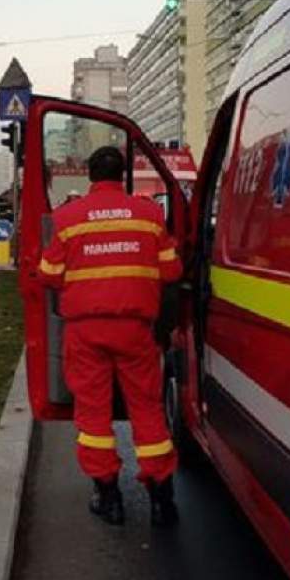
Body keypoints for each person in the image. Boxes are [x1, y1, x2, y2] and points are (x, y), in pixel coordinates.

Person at [38, 146, 183, 527]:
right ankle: (161, 500)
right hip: (136, 330)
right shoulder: (150, 214)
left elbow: (49, 273)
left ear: (89, 175)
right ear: (123, 175)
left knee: (93, 414)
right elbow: (171, 271)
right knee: (148, 409)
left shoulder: (67, 218)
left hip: (86, 333)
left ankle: (109, 497)